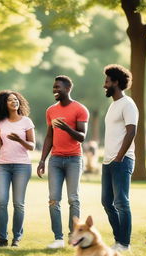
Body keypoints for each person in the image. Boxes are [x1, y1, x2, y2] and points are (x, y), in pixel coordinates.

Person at [37, 75, 89, 249]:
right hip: (55, 160)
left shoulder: (80, 109)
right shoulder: (51, 110)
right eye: (53, 87)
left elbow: (82, 136)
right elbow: (49, 137)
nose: (54, 90)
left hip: (74, 159)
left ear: (67, 89)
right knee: (53, 199)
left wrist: (66, 128)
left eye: (57, 87)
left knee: (73, 199)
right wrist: (42, 160)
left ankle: (73, 236)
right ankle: (58, 238)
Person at [0, 90, 35, 247]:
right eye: (10, 100)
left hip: (22, 166)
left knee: (18, 203)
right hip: (2, 165)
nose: (14, 102)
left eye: (15, 99)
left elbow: (32, 145)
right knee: (1, 201)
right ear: (5, 104)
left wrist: (19, 141)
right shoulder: (0, 122)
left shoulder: (26, 122)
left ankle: (16, 238)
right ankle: (2, 239)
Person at [101, 64, 138, 252]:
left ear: (116, 82)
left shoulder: (128, 104)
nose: (104, 85)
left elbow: (132, 131)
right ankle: (119, 240)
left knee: (121, 202)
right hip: (108, 162)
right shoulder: (113, 106)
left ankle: (124, 243)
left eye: (107, 81)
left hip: (121, 161)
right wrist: (109, 159)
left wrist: (119, 157)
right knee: (107, 202)